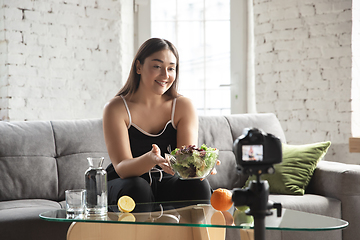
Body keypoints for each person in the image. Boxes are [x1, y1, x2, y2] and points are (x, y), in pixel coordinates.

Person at [103, 38, 214, 206]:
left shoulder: (183, 106)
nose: (165, 75)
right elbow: (122, 167)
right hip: (125, 182)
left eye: (171, 68)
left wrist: (202, 164)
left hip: (168, 182)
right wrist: (150, 160)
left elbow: (185, 161)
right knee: (138, 188)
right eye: (157, 66)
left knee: (198, 186)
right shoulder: (116, 107)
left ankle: (193, 233)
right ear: (138, 67)